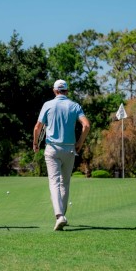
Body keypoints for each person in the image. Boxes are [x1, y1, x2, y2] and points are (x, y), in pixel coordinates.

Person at [33, 79, 90, 231]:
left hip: (52, 148)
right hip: (70, 149)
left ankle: (59, 216)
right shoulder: (74, 105)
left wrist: (35, 143)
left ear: (54, 91)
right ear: (67, 91)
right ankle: (62, 215)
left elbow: (37, 127)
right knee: (65, 183)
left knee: (54, 182)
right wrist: (80, 142)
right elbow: (86, 125)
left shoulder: (48, 104)